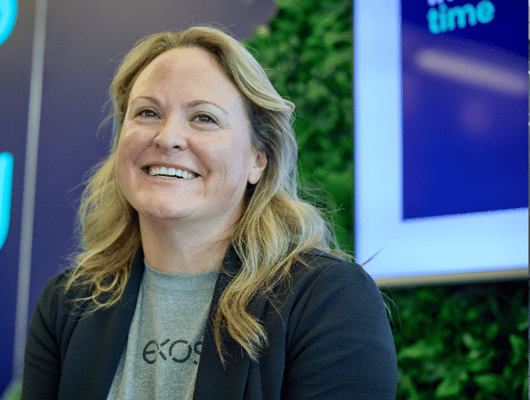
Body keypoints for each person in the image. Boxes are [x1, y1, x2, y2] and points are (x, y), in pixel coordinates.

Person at [21, 26, 397, 399]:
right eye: (148, 112)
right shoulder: (67, 304)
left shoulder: (327, 300)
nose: (167, 137)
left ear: (258, 160)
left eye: (204, 118)